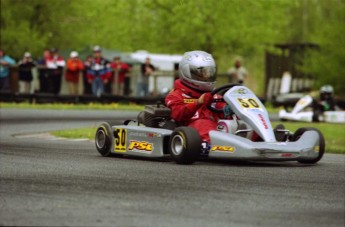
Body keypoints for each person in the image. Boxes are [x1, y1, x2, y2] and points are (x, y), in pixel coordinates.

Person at [165, 50, 230, 146]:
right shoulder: (175, 95)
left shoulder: (214, 95)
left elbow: (222, 108)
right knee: (204, 124)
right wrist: (198, 102)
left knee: (245, 123)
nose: (207, 76)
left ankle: (256, 142)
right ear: (187, 72)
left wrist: (231, 109)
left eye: (209, 73)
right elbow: (178, 114)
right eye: (202, 73)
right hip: (192, 134)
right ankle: (214, 145)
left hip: (219, 129)